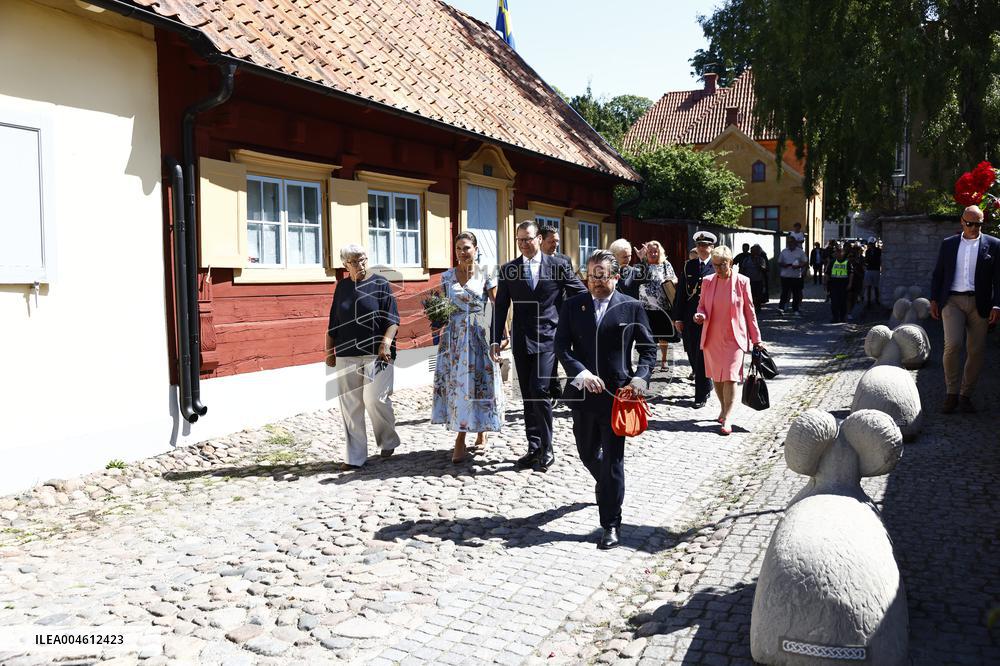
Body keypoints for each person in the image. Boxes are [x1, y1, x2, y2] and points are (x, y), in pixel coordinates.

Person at [555, 250, 656, 550]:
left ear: (615, 276)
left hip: (617, 397)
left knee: (613, 462)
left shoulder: (631, 307)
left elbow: (648, 350)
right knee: (587, 454)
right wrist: (580, 372)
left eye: (602, 275)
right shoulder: (573, 305)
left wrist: (640, 378)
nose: (596, 281)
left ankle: (611, 523)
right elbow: (562, 347)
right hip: (584, 395)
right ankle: (609, 488)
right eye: (591, 275)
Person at [491, 220, 587, 472]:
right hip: (522, 341)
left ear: (539, 239)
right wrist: (495, 338)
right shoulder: (509, 269)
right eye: (519, 240)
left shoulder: (557, 266)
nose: (523, 244)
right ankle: (533, 447)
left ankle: (547, 447)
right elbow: (500, 306)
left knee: (540, 390)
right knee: (528, 394)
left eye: (528, 239)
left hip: (548, 339)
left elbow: (579, 293)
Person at [431, 232, 506, 463]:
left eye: (466, 248)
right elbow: (443, 306)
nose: (462, 253)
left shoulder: (487, 273)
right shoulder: (446, 277)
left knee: (480, 384)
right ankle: (460, 438)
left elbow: (497, 304)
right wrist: (437, 316)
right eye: (458, 249)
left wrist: (503, 334)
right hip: (453, 339)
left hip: (478, 334)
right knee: (459, 386)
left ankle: (481, 432)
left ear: (475, 249)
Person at [325, 244, 401, 470]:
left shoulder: (380, 284)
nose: (361, 265)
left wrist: (386, 343)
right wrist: (329, 351)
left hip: (377, 355)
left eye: (363, 259)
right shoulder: (342, 288)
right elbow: (333, 323)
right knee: (350, 406)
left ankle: (388, 439)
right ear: (345, 265)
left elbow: (393, 320)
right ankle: (355, 457)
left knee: (374, 399)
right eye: (355, 261)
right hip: (347, 353)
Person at [929, 205, 1000, 414]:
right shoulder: (949, 244)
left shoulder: (994, 245)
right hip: (952, 301)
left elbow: (999, 278)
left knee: (976, 351)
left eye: (978, 224)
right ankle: (951, 392)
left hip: (981, 303)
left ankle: (965, 394)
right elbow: (938, 274)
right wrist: (934, 299)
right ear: (962, 222)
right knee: (953, 345)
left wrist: (997, 304)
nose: (974, 228)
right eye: (970, 223)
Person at [694, 245, 764, 435]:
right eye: (715, 265)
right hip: (713, 337)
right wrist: (699, 315)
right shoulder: (708, 281)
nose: (718, 269)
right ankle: (724, 409)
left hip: (734, 337)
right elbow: (701, 307)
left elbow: (750, 312)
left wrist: (756, 339)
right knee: (717, 377)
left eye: (722, 265)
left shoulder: (742, 281)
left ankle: (728, 417)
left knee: (731, 377)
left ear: (730, 262)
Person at [674, 231, 716, 408]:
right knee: (692, 353)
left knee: (701, 355)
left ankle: (700, 394)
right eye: (699, 245)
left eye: (705, 245)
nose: (701, 248)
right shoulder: (688, 266)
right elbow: (681, 294)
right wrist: (677, 318)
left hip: (709, 317)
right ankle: (706, 383)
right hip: (690, 317)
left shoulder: (716, 266)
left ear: (711, 247)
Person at [539, 224, 571, 399]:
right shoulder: (532, 262)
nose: (555, 245)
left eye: (557, 241)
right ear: (540, 240)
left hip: (562, 313)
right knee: (548, 352)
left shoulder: (564, 260)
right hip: (542, 316)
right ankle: (554, 389)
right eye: (551, 241)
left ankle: (561, 387)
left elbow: (571, 287)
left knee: (560, 350)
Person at [637, 240, 679, 370]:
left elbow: (675, 278)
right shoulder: (642, 265)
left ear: (659, 252)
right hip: (645, 306)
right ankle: (651, 360)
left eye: (655, 251)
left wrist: (671, 280)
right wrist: (641, 259)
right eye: (650, 252)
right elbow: (637, 277)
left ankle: (664, 360)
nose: (653, 254)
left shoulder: (665, 264)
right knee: (650, 335)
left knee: (663, 335)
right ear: (646, 253)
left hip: (662, 304)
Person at [777, 235, 807, 315]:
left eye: (792, 242)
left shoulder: (800, 251)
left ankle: (795, 309)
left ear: (795, 243)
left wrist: (799, 266)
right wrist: (784, 265)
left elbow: (804, 262)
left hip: (796, 275)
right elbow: (779, 262)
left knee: (796, 293)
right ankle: (781, 308)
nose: (790, 244)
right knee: (784, 293)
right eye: (789, 242)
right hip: (785, 275)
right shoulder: (784, 251)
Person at [825, 243, 852, 323]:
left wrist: (850, 284)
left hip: (844, 284)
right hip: (834, 284)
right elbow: (827, 273)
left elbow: (851, 274)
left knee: (843, 302)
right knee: (834, 302)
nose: (839, 253)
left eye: (840, 252)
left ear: (843, 252)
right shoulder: (832, 262)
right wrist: (826, 284)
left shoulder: (847, 262)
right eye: (837, 252)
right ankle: (835, 317)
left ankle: (843, 317)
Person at [741, 244, 769, 308]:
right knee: (749, 295)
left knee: (758, 295)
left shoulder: (761, 259)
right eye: (753, 251)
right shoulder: (746, 259)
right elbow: (743, 269)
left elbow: (764, 269)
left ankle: (757, 307)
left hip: (758, 280)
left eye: (756, 251)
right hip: (748, 280)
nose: (754, 252)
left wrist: (758, 264)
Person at [846, 243, 866, 320]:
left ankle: (851, 311)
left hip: (857, 282)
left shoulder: (860, 262)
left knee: (854, 298)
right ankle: (848, 312)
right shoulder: (847, 263)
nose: (851, 258)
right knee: (849, 297)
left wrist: (855, 271)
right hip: (849, 282)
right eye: (850, 257)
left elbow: (862, 274)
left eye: (852, 257)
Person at [863, 237, 882, 306]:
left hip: (876, 270)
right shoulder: (867, 251)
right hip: (869, 269)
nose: (871, 245)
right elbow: (866, 260)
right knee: (868, 286)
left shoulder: (879, 251)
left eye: (872, 244)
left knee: (876, 286)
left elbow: (879, 260)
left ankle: (877, 300)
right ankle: (868, 301)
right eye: (870, 244)